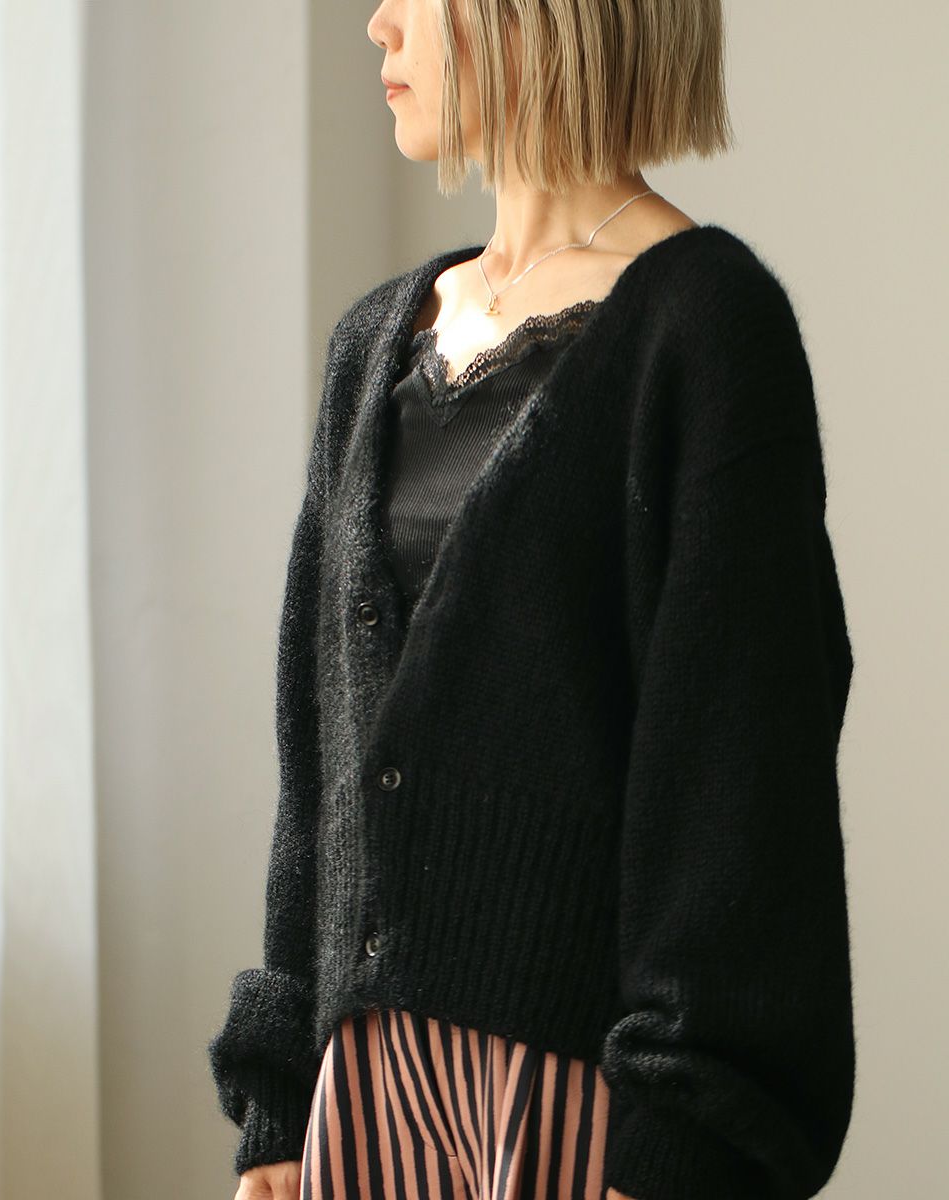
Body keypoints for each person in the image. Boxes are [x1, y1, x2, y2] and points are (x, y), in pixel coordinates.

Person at [208, 3, 857, 1199]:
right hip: (362, 1091)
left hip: (584, 1103)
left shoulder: (706, 329)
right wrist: (283, 1097)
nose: (377, 24)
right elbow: (317, 757)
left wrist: (683, 1146)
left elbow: (740, 771)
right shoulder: (374, 341)